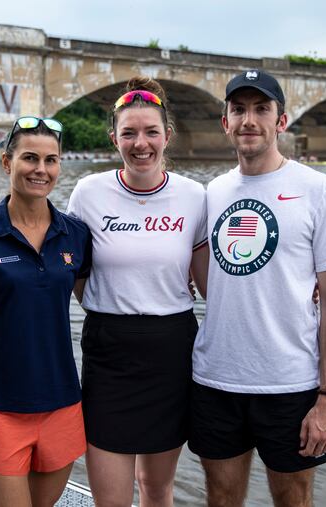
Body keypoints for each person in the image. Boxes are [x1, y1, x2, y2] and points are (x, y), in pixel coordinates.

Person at [188, 70, 326, 507]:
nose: (249, 120)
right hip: (215, 378)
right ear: (225, 122)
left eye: (262, 109)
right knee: (221, 497)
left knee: (292, 498)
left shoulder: (319, 190)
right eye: (238, 110)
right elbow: (204, 277)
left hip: (291, 384)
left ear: (281, 122)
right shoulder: (213, 192)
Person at [66, 76, 209, 507]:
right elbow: (66, 270)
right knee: (110, 500)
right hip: (109, 351)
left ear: (168, 135)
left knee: (156, 489)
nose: (140, 143)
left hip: (171, 350)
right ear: (114, 138)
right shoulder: (88, 193)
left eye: (151, 132)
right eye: (129, 133)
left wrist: (300, 288)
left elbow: (212, 284)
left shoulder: (194, 196)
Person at [0, 116, 92, 507]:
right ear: (7, 162)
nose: (41, 170)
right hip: (2, 408)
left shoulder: (75, 234)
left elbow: (96, 299)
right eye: (29, 158)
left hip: (63, 403)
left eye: (51, 160)